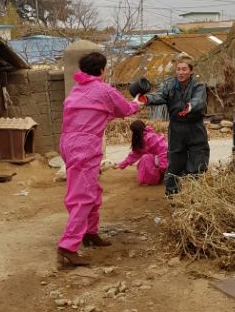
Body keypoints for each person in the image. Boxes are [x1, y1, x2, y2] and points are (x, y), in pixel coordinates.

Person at [58, 51, 141, 267]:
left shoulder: (76, 90)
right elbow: (125, 109)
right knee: (83, 196)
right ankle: (68, 245)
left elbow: (97, 112)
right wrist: (137, 103)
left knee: (92, 190)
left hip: (68, 143)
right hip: (84, 147)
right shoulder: (104, 90)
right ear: (102, 70)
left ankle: (90, 232)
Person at [140, 55, 209, 195]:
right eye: (178, 69)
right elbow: (160, 95)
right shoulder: (170, 85)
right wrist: (146, 99)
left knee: (199, 157)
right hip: (176, 128)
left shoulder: (198, 86)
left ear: (191, 71)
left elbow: (199, 100)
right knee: (175, 159)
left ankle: (196, 193)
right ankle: (172, 194)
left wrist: (190, 107)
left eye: (184, 69)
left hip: (195, 127)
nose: (181, 72)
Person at [117, 119, 168, 185]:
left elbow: (163, 151)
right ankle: (159, 175)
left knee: (145, 158)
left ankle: (161, 176)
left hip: (166, 160)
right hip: (158, 160)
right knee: (143, 162)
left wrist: (163, 168)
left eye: (133, 131)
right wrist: (121, 165)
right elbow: (134, 155)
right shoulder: (140, 139)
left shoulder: (151, 137)